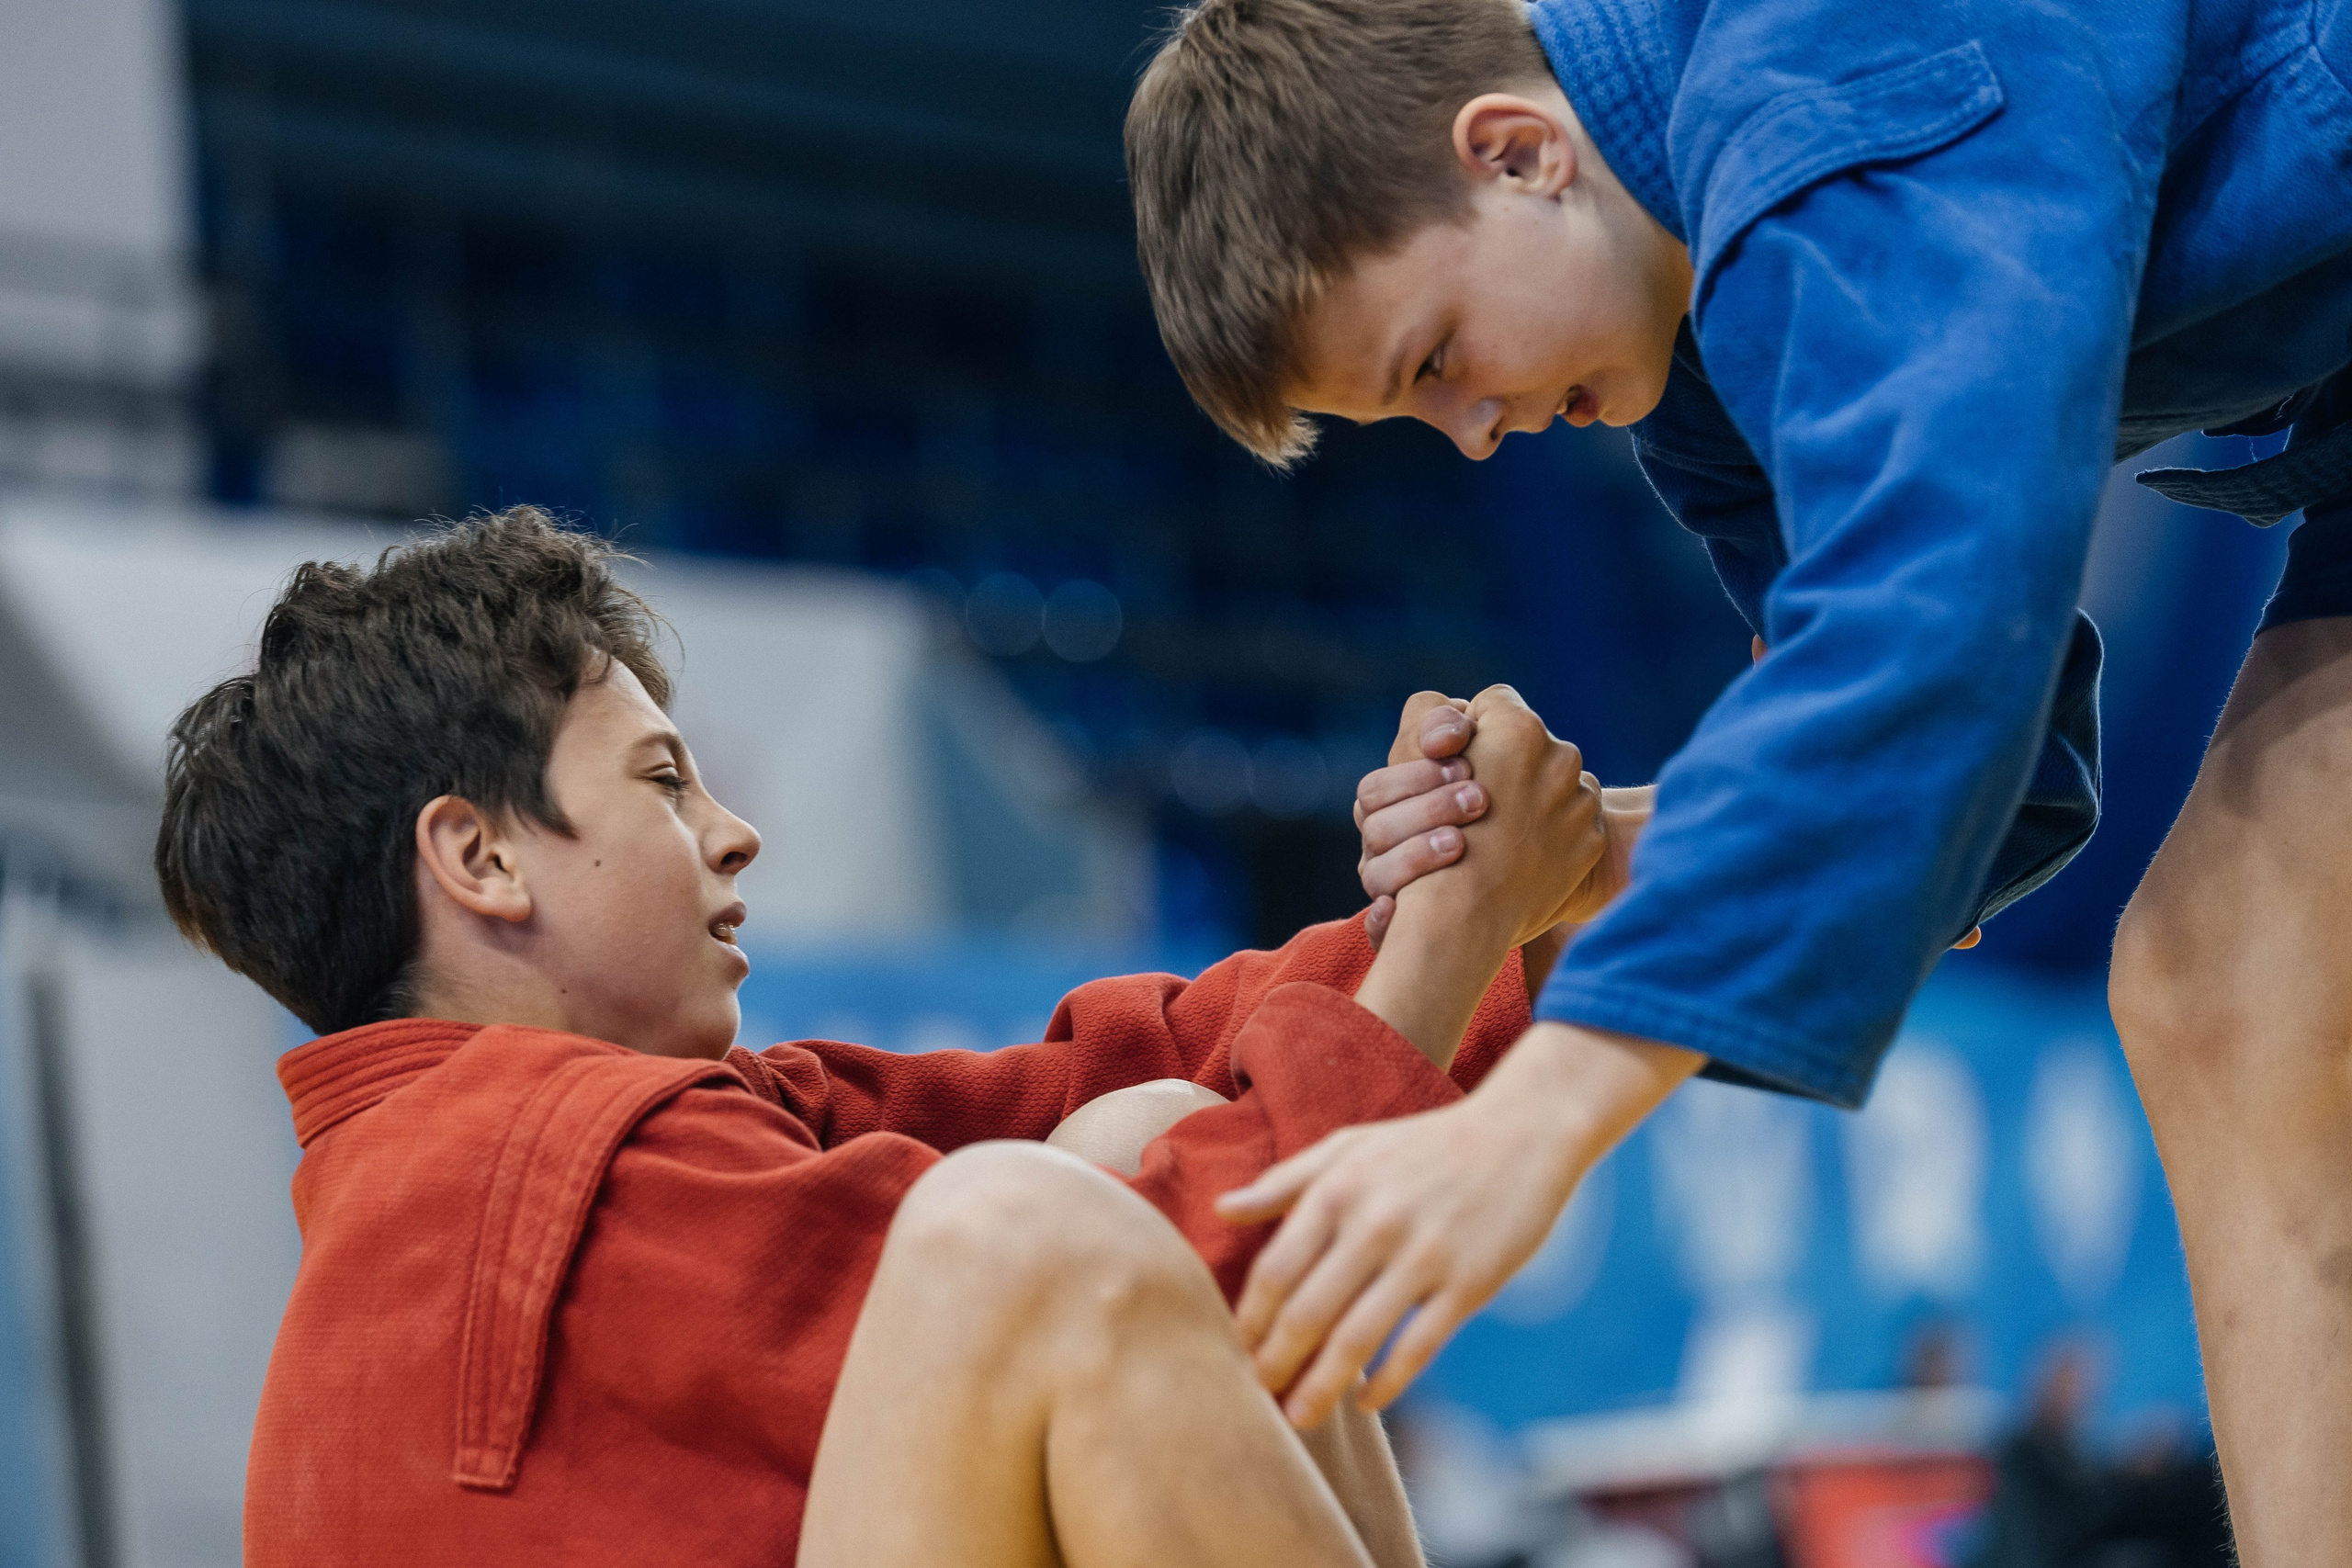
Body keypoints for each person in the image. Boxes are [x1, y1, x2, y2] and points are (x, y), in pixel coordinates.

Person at [1124, 0, 2352, 1558]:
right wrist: (1575, 868)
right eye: (1419, 414)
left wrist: (1542, 1114)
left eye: (1438, 359)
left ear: (1517, 154)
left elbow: (1938, 634)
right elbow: (1983, 785)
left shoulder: (1819, 57)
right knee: (2236, 982)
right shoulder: (1698, 355)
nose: (1479, 434)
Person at [159, 506, 1611, 1567]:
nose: (733, 836)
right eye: (666, 785)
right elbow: (1213, 1287)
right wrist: (1449, 939)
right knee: (1025, 1239)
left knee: (1129, 1135)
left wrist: (1513, 893)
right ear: (480, 861)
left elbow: (1120, 1071)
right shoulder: (545, 1179)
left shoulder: (557, 1141)